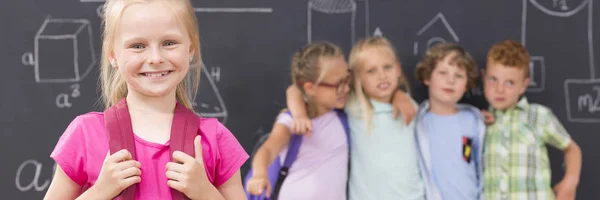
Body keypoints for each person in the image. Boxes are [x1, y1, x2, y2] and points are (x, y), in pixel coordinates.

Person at [44, 0, 248, 199]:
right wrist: (100, 192)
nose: (155, 58)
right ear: (113, 55)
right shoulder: (85, 134)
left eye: (169, 43)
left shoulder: (215, 138)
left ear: (191, 49)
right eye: (138, 46)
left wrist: (205, 193)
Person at [482, 40, 582, 200]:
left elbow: (572, 149)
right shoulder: (480, 122)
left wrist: (570, 182)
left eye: (510, 83)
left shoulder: (539, 116)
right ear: (484, 77)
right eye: (493, 79)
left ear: (523, 85)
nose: (499, 89)